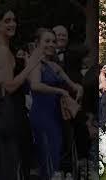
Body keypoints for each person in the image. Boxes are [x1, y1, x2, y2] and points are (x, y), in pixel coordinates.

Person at [0, 4, 41, 180]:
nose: (13, 24)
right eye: (7, 21)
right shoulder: (1, 50)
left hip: (8, 111)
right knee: (12, 168)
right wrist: (32, 64)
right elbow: (10, 86)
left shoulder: (1, 48)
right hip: (8, 112)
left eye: (14, 20)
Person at [28, 28, 83, 179]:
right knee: (47, 158)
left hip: (56, 116)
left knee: (55, 155)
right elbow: (35, 85)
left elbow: (73, 84)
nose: (51, 44)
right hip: (41, 116)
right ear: (37, 43)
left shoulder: (54, 66)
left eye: (53, 41)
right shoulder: (34, 63)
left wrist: (79, 89)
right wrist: (60, 92)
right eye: (47, 41)